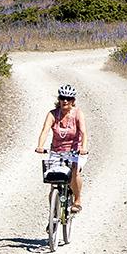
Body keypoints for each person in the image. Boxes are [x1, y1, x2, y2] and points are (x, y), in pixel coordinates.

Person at [34, 83, 89, 211]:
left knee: (74, 172)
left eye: (68, 99)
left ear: (73, 101)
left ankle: (77, 200)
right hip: (57, 151)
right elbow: (45, 131)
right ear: (58, 99)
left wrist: (83, 148)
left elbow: (83, 132)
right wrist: (40, 146)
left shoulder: (78, 114)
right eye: (62, 97)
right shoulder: (53, 114)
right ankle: (53, 213)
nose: (65, 101)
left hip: (74, 151)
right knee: (53, 180)